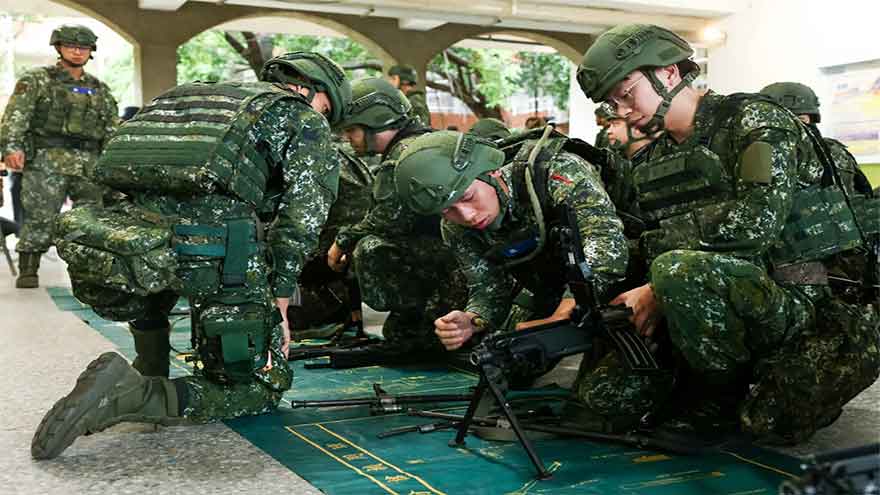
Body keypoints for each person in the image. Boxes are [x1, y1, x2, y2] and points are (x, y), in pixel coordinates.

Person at [31, 51, 351, 460]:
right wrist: (281, 300)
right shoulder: (303, 119)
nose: (324, 117)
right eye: (327, 110)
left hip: (135, 248)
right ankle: (134, 395)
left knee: (166, 272)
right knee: (257, 388)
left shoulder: (190, 99)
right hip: (217, 254)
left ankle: (149, 367)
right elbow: (301, 220)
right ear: (316, 91)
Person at [575, 23, 879, 443]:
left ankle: (718, 394)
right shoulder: (657, 158)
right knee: (601, 400)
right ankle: (709, 380)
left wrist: (657, 282)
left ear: (668, 73)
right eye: (612, 102)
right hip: (728, 303)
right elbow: (648, 241)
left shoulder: (755, 121)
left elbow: (756, 221)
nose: (622, 111)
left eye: (626, 94)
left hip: (814, 303)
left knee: (769, 422)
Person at [393, 130, 628, 396]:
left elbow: (607, 243)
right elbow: (488, 288)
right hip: (548, 286)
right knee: (505, 367)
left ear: (490, 173)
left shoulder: (555, 171)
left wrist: (564, 314)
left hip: (621, 282)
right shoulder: (456, 228)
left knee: (605, 397)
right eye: (448, 210)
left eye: (468, 197)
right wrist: (472, 319)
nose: (466, 215)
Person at [326, 77, 466, 352]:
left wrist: (343, 241)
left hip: (452, 262)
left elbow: (390, 218)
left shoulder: (402, 156)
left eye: (352, 130)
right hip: (456, 258)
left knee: (370, 248)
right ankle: (419, 318)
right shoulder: (420, 143)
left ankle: (423, 315)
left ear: (375, 123)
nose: (347, 138)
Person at [0, 24, 118, 288]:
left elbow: (111, 128)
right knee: (40, 216)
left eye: (83, 48)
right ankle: (29, 269)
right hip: (46, 160)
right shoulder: (37, 80)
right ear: (59, 48)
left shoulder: (99, 88)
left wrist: (112, 163)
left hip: (89, 162)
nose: (77, 52)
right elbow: (16, 116)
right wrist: (11, 147)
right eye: (71, 46)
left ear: (91, 52)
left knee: (92, 217)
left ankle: (86, 269)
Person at [760, 82, 873, 198]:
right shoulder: (761, 155)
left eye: (802, 119)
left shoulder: (834, 151)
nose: (801, 126)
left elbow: (861, 197)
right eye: (792, 120)